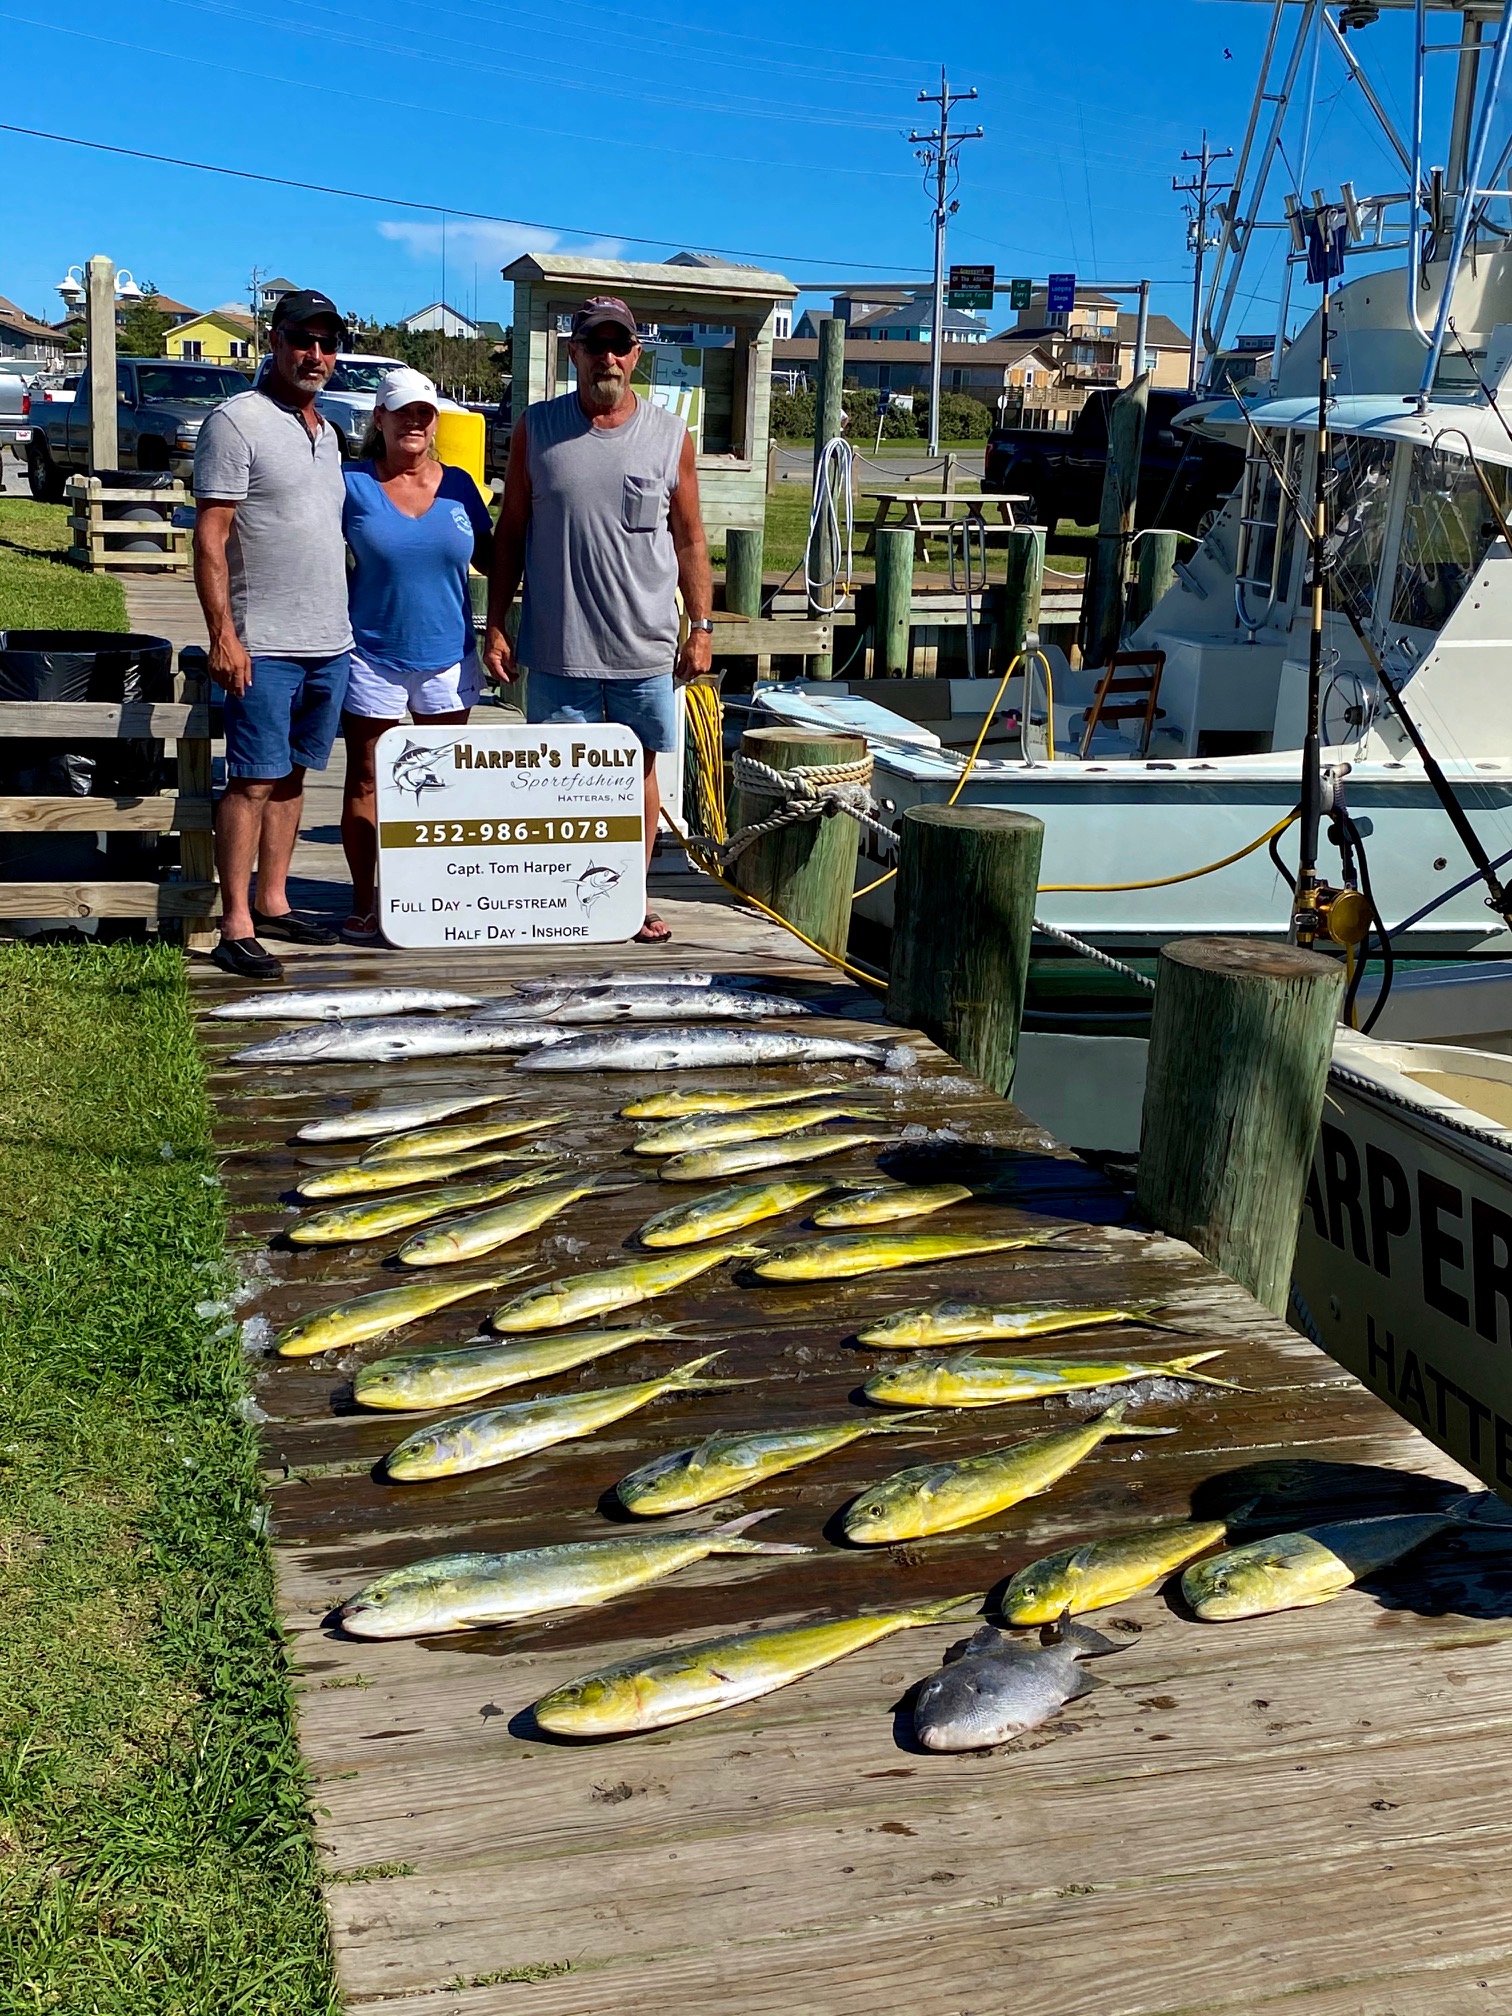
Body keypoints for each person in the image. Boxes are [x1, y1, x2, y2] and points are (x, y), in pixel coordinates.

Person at [481, 294, 713, 944]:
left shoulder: (671, 437)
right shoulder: (536, 427)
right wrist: (496, 622)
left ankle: (628, 899)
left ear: (636, 355)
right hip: (557, 650)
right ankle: (563, 898)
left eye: (620, 345)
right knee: (559, 782)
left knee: (636, 776)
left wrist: (702, 626)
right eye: (594, 345)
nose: (607, 357)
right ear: (574, 352)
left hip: (644, 649)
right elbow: (512, 532)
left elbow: (692, 539)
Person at [193, 288, 352, 980]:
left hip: (329, 640)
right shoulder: (237, 422)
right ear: (274, 340)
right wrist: (224, 636)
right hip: (265, 642)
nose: (314, 355)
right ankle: (234, 923)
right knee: (250, 781)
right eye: (302, 340)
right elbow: (210, 538)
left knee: (292, 779)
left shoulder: (329, 431)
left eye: (326, 343)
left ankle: (275, 898)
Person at [337, 367, 494, 944]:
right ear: (379, 418)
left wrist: (501, 629)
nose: (413, 422)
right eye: (401, 411)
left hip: (449, 657)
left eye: (423, 413)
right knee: (367, 780)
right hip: (370, 654)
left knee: (444, 783)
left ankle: (434, 898)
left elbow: (497, 563)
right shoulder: (349, 482)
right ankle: (364, 900)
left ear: (435, 422)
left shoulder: (461, 487)